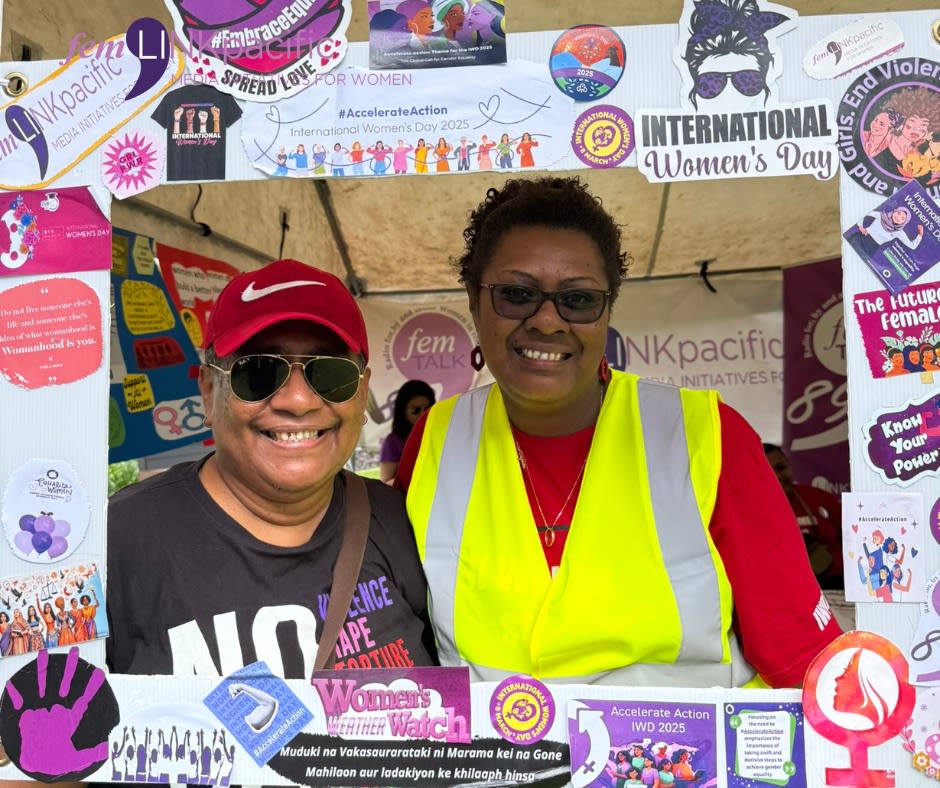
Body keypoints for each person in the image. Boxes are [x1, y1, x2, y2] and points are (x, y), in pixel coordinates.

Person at [396, 176, 841, 688]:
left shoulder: (706, 434)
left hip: (685, 762)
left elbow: (802, 664)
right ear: (475, 302)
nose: (546, 320)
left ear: (607, 312)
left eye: (578, 300)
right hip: (497, 763)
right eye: (516, 294)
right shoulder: (437, 437)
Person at [107, 259, 436, 681]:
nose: (297, 400)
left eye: (331, 373)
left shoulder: (403, 524)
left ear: (362, 392)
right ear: (209, 392)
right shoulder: (120, 538)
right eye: (258, 372)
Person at [763, 443, 843, 590]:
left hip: (832, 586)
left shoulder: (820, 498)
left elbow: (849, 541)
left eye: (781, 468)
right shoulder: (747, 509)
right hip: (782, 590)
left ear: (789, 466)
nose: (778, 476)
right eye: (768, 470)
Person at [379, 380, 436, 484]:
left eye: (428, 409)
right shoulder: (393, 442)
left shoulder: (438, 435)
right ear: (403, 413)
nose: (423, 415)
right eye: (415, 410)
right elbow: (385, 484)